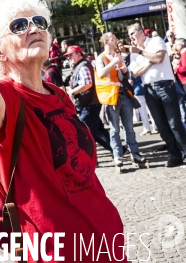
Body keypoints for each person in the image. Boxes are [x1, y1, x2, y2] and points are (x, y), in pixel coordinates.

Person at [0, 0, 126, 261]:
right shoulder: (7, 100)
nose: (33, 28)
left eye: (39, 22)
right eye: (18, 25)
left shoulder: (58, 93)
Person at [127, 22, 186, 167]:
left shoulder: (156, 41)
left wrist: (141, 53)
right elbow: (135, 73)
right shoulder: (133, 53)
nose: (131, 38)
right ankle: (174, 154)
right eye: (129, 36)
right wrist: (149, 62)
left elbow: (159, 58)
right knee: (161, 125)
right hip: (149, 89)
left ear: (141, 32)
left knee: (174, 123)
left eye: (132, 34)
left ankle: (184, 151)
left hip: (165, 85)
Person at [95, 32, 146, 170]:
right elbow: (100, 73)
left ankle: (135, 153)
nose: (116, 40)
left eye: (115, 38)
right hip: (112, 98)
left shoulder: (118, 56)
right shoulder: (101, 58)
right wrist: (113, 62)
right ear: (106, 42)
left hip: (124, 95)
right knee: (114, 129)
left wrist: (124, 70)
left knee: (129, 128)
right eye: (112, 38)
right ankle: (117, 156)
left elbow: (124, 74)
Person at [65, 45, 112, 155]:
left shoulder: (83, 66)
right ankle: (118, 150)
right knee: (98, 131)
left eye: (71, 55)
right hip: (88, 104)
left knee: (86, 133)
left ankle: (90, 157)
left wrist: (73, 91)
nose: (69, 58)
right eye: (68, 56)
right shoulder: (79, 66)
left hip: (90, 104)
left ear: (78, 53)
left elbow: (87, 83)